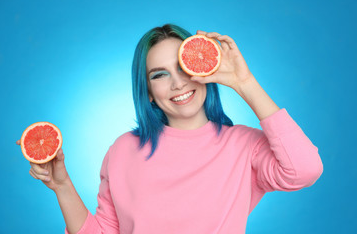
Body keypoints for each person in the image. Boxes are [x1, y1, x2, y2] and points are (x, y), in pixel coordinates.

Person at [17, 24, 323, 234]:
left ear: (204, 70)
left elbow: (305, 170)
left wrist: (245, 83)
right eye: (160, 74)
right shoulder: (123, 150)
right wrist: (62, 186)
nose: (178, 83)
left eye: (183, 66)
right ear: (148, 91)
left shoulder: (243, 146)